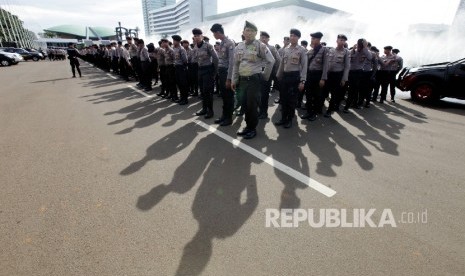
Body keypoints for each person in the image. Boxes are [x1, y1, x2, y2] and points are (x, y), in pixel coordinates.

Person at [232, 21, 275, 139]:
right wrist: (234, 80)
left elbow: (271, 61)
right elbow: (236, 64)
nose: (249, 33)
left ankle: (252, 129)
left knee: (252, 105)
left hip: (254, 80)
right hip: (242, 80)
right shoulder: (239, 46)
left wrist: (264, 76)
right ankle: (247, 126)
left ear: (256, 33)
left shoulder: (260, 45)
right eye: (247, 30)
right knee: (245, 104)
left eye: (252, 31)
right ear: (243, 32)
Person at [275, 28, 307, 128]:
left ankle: (289, 119)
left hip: (295, 77)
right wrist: (278, 76)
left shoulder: (301, 50)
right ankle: (283, 118)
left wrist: (302, 81)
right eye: (291, 35)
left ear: (298, 38)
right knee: (283, 99)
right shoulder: (286, 49)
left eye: (295, 36)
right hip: (285, 77)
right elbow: (281, 64)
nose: (292, 37)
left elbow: (304, 66)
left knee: (291, 100)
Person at [210, 23, 235, 126]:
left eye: (214, 33)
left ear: (218, 32)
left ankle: (229, 118)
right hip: (221, 72)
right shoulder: (221, 43)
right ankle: (224, 116)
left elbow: (232, 62)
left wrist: (229, 79)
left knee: (229, 96)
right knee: (224, 96)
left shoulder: (230, 43)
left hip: (227, 73)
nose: (213, 35)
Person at [301, 31, 328, 121]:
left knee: (316, 96)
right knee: (308, 94)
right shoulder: (311, 50)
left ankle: (314, 113)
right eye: (311, 38)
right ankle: (308, 112)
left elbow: (325, 65)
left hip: (318, 75)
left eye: (314, 38)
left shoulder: (324, 50)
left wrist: (323, 78)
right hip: (309, 75)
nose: (312, 40)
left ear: (319, 39)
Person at [193, 28, 219, 119]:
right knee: (203, 92)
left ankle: (210, 111)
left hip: (208, 70)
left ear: (202, 36)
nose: (196, 37)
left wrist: (215, 71)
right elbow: (195, 59)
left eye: (198, 36)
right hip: (200, 70)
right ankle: (204, 109)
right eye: (195, 36)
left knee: (208, 92)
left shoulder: (208, 46)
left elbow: (216, 58)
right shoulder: (195, 47)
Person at [324, 34, 350, 117]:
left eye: (343, 40)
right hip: (328, 74)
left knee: (334, 94)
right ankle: (319, 108)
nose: (341, 41)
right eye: (340, 39)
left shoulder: (346, 52)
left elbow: (347, 66)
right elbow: (326, 63)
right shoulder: (331, 50)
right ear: (337, 40)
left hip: (338, 75)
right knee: (324, 91)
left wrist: (344, 79)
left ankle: (330, 110)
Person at [343, 38, 373, 112]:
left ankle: (353, 104)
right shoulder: (353, 51)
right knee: (352, 90)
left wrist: (365, 47)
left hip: (357, 72)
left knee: (355, 90)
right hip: (352, 72)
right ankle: (347, 107)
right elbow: (348, 58)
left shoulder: (365, 51)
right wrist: (354, 50)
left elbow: (370, 57)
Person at [259, 31, 281, 119]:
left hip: (267, 72)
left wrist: (275, 72)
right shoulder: (256, 47)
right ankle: (259, 111)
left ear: (268, 39)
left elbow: (278, 60)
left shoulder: (271, 48)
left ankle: (264, 112)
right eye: (262, 37)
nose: (263, 39)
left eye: (265, 37)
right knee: (258, 94)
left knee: (264, 94)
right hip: (257, 72)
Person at [172, 35, 189, 105]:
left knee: (183, 84)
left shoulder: (181, 49)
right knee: (179, 84)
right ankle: (181, 98)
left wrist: (183, 67)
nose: (173, 42)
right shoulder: (174, 48)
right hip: (176, 67)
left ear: (177, 41)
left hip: (181, 68)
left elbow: (185, 60)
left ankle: (185, 99)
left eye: (174, 41)